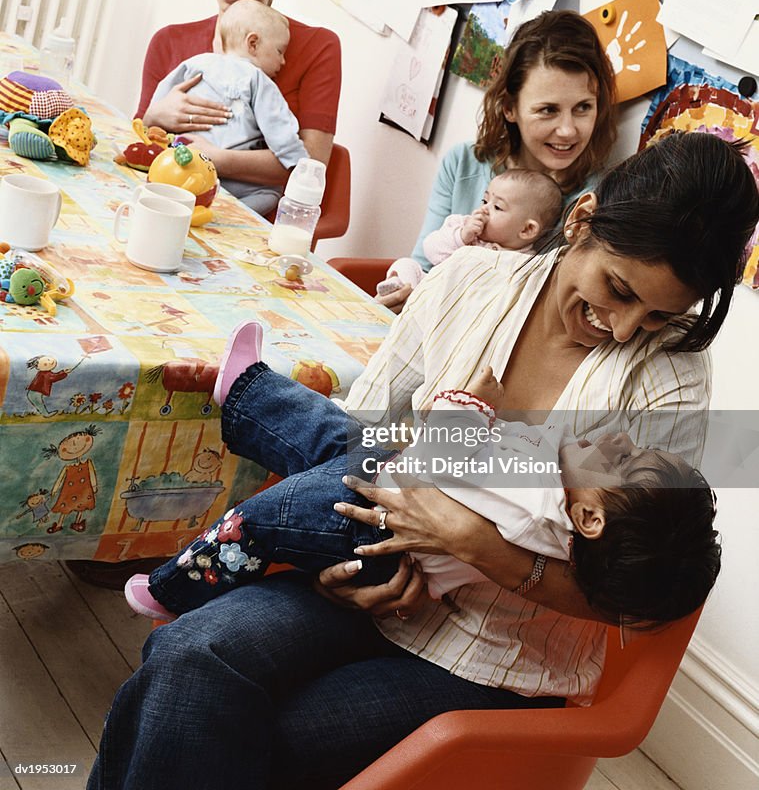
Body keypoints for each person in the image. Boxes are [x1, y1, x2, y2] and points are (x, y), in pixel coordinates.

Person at [87, 132, 759, 790]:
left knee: (266, 736)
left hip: (496, 657)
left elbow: (632, 588)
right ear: (581, 220)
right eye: (618, 289)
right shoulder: (468, 281)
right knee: (186, 657)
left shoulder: (670, 375)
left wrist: (475, 545)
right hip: (367, 583)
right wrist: (344, 567)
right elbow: (359, 438)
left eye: (653, 315)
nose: (621, 328)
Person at [123, 345, 720, 629]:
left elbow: (441, 461)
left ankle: (172, 589)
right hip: (393, 490)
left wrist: (464, 406)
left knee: (262, 520)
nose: (618, 440)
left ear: (591, 520)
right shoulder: (555, 498)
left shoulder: (538, 499)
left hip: (369, 523)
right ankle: (248, 392)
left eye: (625, 461)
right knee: (335, 433)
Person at [378, 9, 617, 311]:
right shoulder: (464, 163)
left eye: (583, 107)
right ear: (509, 108)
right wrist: (402, 294)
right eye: (547, 110)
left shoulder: (602, 198)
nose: (568, 130)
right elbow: (425, 262)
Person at [136, 0, 340, 202]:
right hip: (166, 198)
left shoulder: (318, 48)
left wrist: (214, 159)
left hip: (255, 215)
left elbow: (309, 166)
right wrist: (155, 115)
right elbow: (139, 143)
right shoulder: (169, 41)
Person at [149, 0, 306, 214]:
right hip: (236, 183)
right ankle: (222, 214)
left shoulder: (197, 63)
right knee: (270, 195)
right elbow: (279, 127)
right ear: (253, 44)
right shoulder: (258, 80)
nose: (283, 62)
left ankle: (181, 203)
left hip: (185, 166)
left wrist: (152, 120)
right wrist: (299, 161)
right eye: (280, 52)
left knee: (164, 175)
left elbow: (160, 101)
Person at [380, 168, 562, 292]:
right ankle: (401, 288)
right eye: (485, 201)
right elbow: (431, 249)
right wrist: (462, 237)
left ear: (527, 229)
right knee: (406, 265)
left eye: (497, 207)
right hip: (428, 288)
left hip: (459, 309)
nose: (484, 209)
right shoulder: (462, 225)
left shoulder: (524, 264)